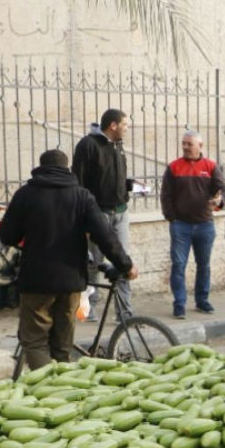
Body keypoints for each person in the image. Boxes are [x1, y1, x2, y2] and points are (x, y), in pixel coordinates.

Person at [0, 149, 138, 370]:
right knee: (63, 345)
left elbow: (7, 236)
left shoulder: (25, 194)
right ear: (67, 169)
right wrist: (125, 265)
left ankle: (46, 389)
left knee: (35, 340)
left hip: (36, 280)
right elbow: (105, 235)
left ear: (40, 168)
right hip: (71, 281)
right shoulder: (82, 195)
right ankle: (63, 389)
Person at [160, 130, 225, 319]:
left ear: (200, 146)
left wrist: (219, 199)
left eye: (189, 144)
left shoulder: (210, 166)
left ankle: (202, 301)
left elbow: (223, 188)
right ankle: (179, 304)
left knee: (204, 265)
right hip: (180, 225)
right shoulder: (173, 167)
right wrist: (171, 218)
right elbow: (165, 195)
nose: (185, 147)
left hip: (205, 225)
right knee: (179, 264)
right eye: (183, 143)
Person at [72, 108, 132, 321]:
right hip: (98, 214)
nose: (127, 128)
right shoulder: (88, 145)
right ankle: (88, 310)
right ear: (113, 125)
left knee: (123, 260)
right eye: (124, 124)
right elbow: (78, 183)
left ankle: (124, 312)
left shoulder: (118, 145)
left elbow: (112, 177)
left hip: (121, 212)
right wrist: (84, 219)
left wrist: (128, 187)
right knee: (94, 264)